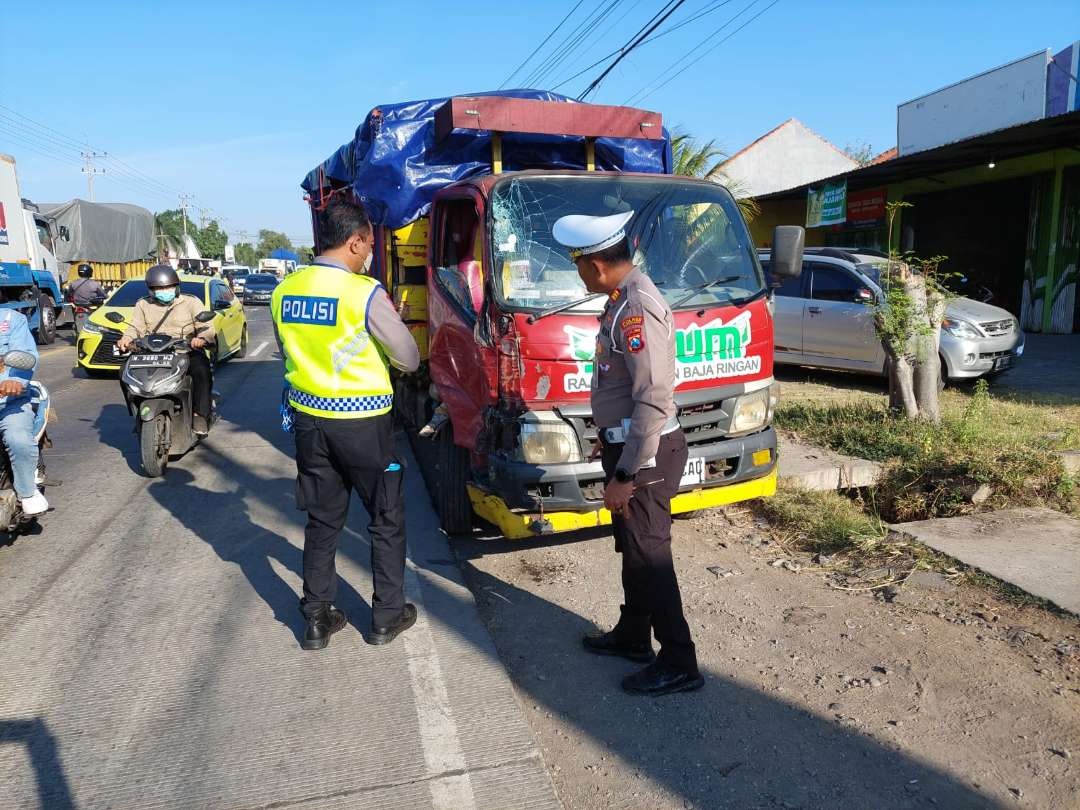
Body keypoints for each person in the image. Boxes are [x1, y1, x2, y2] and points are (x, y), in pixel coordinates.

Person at [553, 210, 704, 697]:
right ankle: (634, 635)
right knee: (634, 549)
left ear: (596, 266)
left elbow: (655, 397)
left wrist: (625, 471)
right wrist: (611, 436)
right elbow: (622, 387)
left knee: (650, 555)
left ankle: (679, 660)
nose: (579, 274)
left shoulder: (636, 308)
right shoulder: (621, 300)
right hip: (629, 444)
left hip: (649, 456)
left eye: (578, 265)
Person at [271, 198, 420, 651]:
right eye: (369, 244)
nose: (370, 252)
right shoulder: (363, 292)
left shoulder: (286, 290)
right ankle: (385, 617)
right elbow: (409, 357)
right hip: (363, 425)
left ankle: (316, 618)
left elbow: (286, 351)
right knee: (385, 516)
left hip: (310, 422)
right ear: (355, 241)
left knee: (322, 518)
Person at [116, 265, 215, 436]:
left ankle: (199, 414)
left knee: (201, 370)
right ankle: (137, 413)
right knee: (125, 371)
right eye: (159, 288)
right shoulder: (143, 304)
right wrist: (126, 339)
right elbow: (135, 327)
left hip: (184, 350)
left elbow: (206, 327)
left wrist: (201, 339)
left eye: (168, 287)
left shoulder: (191, 302)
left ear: (176, 287)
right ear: (152, 290)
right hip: (152, 352)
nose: (164, 291)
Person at [0, 309, 47, 516]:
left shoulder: (10, 320)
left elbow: (25, 354)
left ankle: (27, 492)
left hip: (9, 402)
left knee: (17, 437)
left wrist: (15, 381)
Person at [67, 264, 107, 337]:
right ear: (89, 272)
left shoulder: (73, 283)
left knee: (77, 323)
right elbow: (104, 296)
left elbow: (69, 295)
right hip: (92, 307)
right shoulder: (94, 284)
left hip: (78, 308)